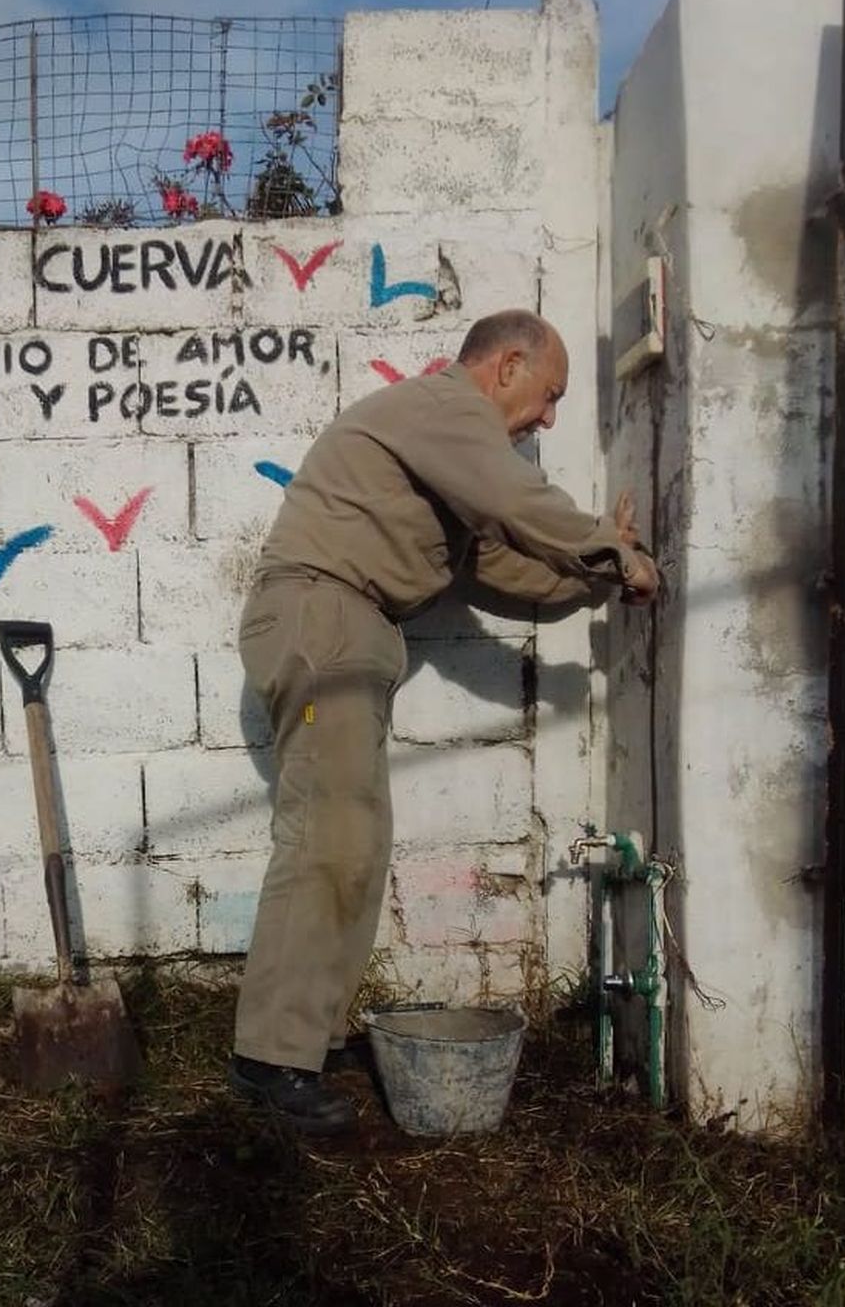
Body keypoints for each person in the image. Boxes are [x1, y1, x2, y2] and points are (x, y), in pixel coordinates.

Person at [227, 309, 660, 1135]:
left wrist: (596, 578)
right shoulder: (446, 412)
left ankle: (299, 1043)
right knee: (328, 836)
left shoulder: (448, 463)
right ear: (504, 366)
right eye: (549, 395)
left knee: (350, 839)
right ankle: (269, 1061)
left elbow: (503, 568)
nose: (549, 418)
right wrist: (615, 552)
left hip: (343, 629)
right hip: (323, 620)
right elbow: (518, 501)